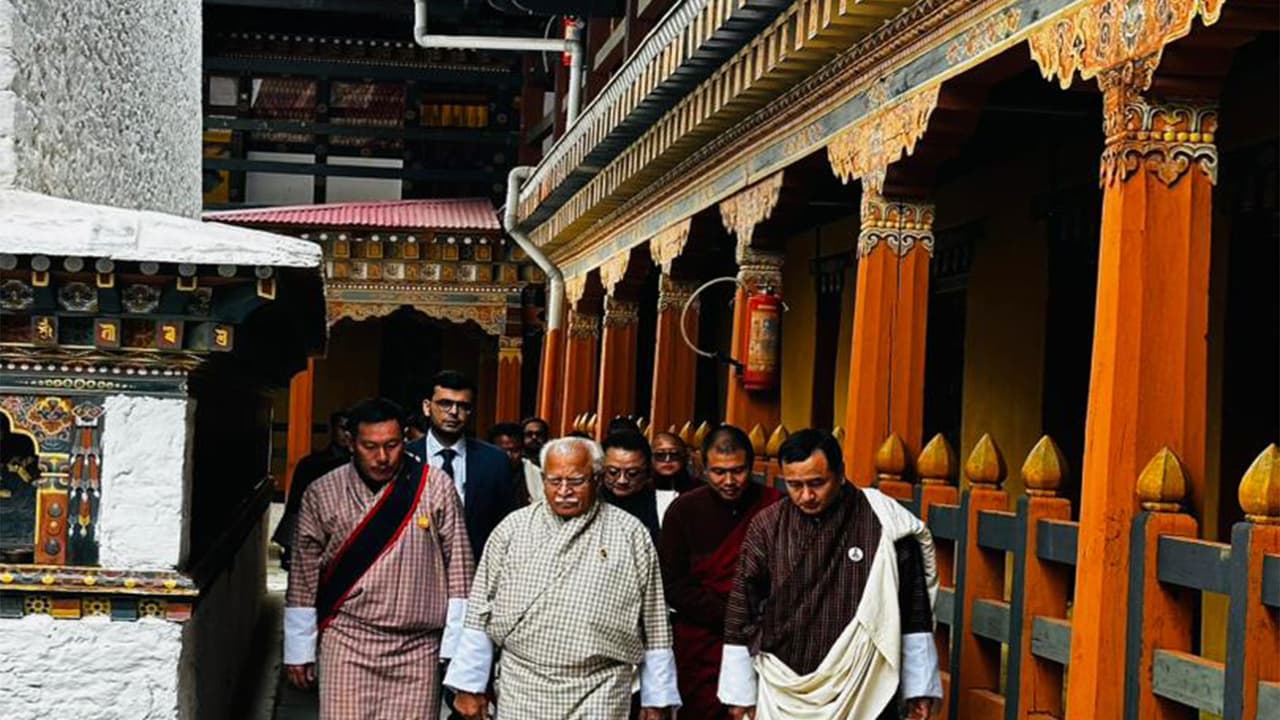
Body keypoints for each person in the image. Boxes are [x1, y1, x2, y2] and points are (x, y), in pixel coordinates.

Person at [444, 436, 681, 720]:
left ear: (597, 478)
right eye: (555, 481)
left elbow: (654, 619)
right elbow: (480, 610)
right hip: (523, 684)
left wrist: (657, 698)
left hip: (601, 686)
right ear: (542, 479)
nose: (564, 491)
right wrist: (470, 686)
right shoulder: (512, 530)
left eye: (576, 481)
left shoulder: (630, 533)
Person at [718, 429, 942, 720]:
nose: (806, 496)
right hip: (783, 686)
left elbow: (914, 609)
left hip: (864, 685)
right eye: (795, 485)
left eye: (817, 483)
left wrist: (918, 688)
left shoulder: (885, 523)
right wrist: (740, 693)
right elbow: (742, 608)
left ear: (840, 473)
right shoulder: (767, 526)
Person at [283, 398, 474, 718]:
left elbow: (460, 568)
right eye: (370, 446)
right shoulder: (323, 492)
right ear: (351, 443)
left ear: (405, 440)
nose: (382, 457)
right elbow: (303, 575)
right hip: (347, 641)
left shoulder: (435, 486)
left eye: (392, 445)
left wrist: (457, 650)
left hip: (418, 648)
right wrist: (299, 651)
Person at [658, 425, 781, 720]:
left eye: (738, 471)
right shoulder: (684, 510)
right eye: (718, 472)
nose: (729, 481)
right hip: (703, 638)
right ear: (701, 466)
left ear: (751, 466)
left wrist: (756, 618)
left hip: (761, 638)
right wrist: (731, 615)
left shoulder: (775, 506)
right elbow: (672, 583)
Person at [410, 370, 518, 559]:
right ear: (427, 407)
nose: (453, 412)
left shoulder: (494, 461)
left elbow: (506, 524)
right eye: (445, 404)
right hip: (415, 564)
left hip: (474, 567)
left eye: (462, 406)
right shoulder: (406, 456)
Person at [272, 410, 351, 570]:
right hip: (316, 534)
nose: (346, 434)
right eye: (342, 428)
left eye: (350, 429)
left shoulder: (367, 467)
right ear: (333, 429)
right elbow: (296, 506)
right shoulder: (311, 465)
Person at [600, 430, 669, 542]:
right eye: (613, 472)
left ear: (648, 472)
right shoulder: (589, 502)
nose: (622, 480)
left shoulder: (664, 505)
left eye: (632, 474)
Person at [487, 422, 541, 506]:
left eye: (515, 451)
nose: (509, 456)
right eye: (503, 451)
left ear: (522, 451)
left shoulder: (534, 473)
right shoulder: (482, 473)